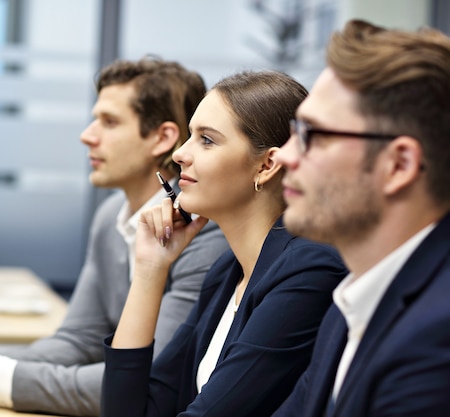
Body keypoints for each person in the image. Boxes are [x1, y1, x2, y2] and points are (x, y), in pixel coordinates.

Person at [0, 57, 229, 416]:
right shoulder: (111, 216)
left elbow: (147, 381)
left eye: (109, 122)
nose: (87, 135)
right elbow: (76, 341)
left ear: (162, 138)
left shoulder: (202, 234)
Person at [101, 70, 348, 417]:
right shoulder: (226, 273)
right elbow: (130, 411)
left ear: (267, 165)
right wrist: (149, 270)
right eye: (190, 136)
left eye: (207, 140)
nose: (179, 155)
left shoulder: (308, 271)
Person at [272, 19, 450, 417]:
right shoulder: (351, 301)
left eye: (312, 134)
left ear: (399, 164)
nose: (284, 155)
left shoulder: (437, 339)